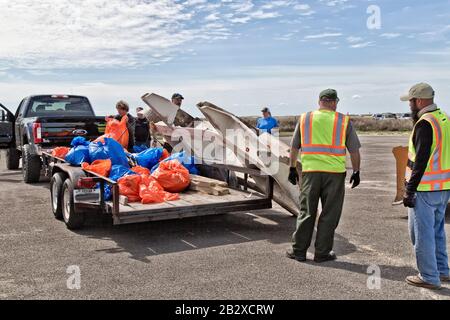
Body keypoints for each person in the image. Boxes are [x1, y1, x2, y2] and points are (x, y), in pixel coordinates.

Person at [286, 89, 361, 263]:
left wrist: (291, 168)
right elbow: (354, 150)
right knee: (329, 213)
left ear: (319, 101)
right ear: (335, 102)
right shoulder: (343, 121)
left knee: (307, 211)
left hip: (310, 173)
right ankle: (322, 252)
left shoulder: (305, 119)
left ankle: (298, 251)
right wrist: (356, 171)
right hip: (334, 174)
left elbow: (294, 147)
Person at [401, 83, 450, 290]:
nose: (409, 105)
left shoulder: (425, 123)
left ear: (419, 101)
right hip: (443, 187)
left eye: (410, 101)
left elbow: (420, 160)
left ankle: (429, 276)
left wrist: (409, 190)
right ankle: (442, 270)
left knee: (421, 234)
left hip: (425, 189)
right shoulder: (443, 119)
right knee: (437, 231)